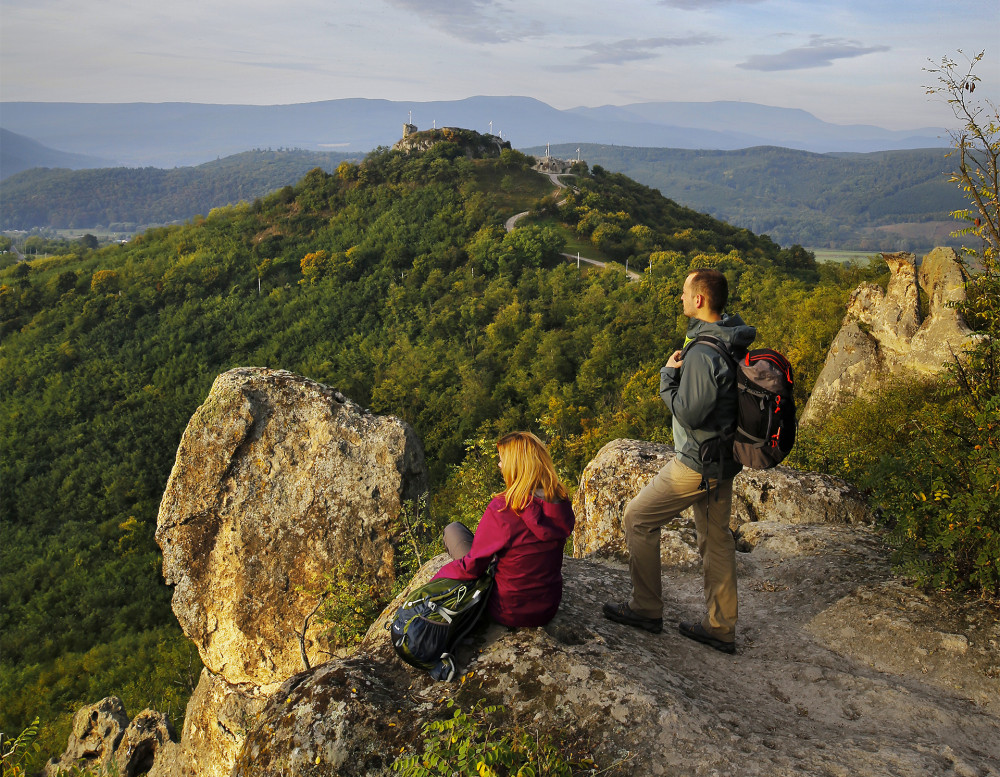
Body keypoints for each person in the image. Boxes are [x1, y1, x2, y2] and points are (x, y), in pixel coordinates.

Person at [603, 268, 756, 654]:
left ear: (700, 299)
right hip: (723, 459)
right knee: (715, 539)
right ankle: (720, 627)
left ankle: (646, 608)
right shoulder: (729, 337)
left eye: (685, 294)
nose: (681, 299)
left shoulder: (705, 352)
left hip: (697, 462)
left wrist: (667, 379)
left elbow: (691, 412)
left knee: (637, 519)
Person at [433, 431, 576, 628]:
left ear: (516, 466)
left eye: (502, 460)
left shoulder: (504, 507)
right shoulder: (560, 499)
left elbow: (472, 566)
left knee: (453, 530)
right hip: (546, 608)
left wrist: (434, 581)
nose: (499, 465)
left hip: (508, 611)